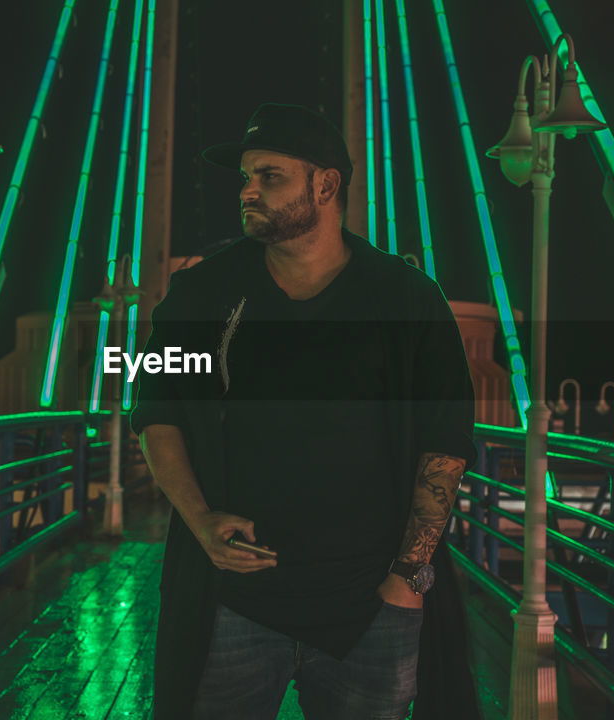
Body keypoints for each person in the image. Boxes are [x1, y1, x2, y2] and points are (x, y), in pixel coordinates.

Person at [131, 103, 481, 719]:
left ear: (325, 184)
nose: (247, 191)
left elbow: (445, 438)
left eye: (270, 176)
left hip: (371, 604)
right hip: (231, 600)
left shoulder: (407, 301)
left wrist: (408, 576)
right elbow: (157, 411)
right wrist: (200, 518)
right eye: (245, 177)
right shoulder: (202, 294)